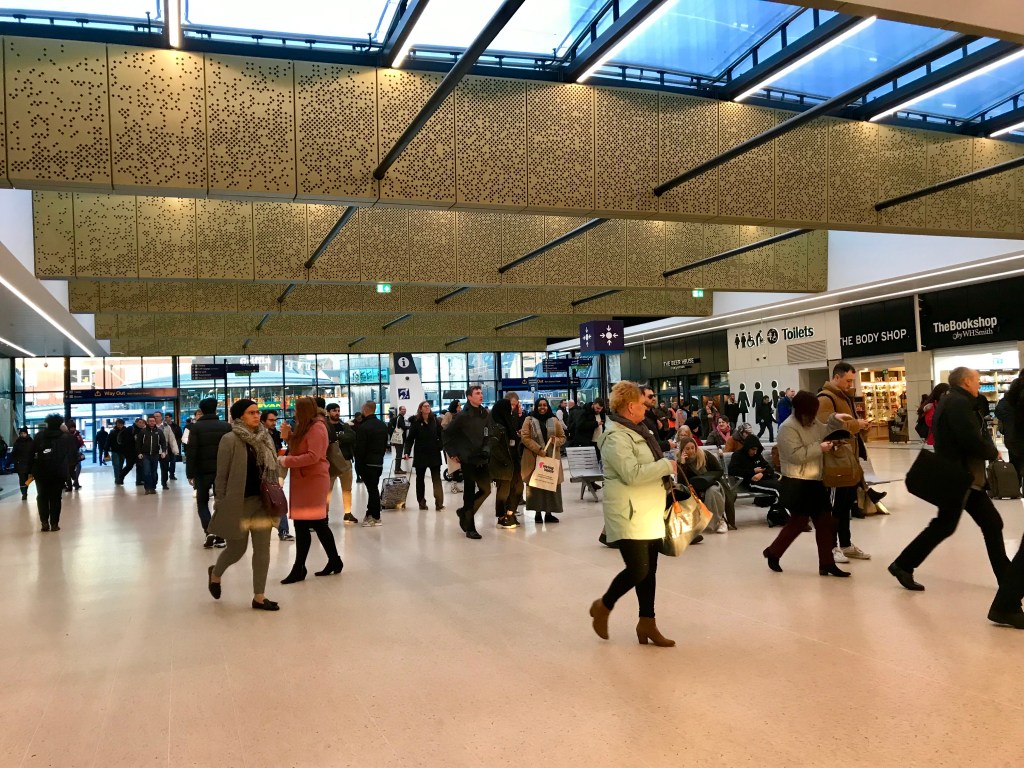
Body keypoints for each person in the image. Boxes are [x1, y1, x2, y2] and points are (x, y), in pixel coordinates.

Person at [889, 367, 1010, 593]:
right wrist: (992, 452)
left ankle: (903, 564)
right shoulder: (958, 403)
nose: (979, 383)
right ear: (966, 382)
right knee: (969, 524)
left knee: (972, 524)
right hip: (962, 478)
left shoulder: (952, 400)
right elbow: (968, 438)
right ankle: (903, 564)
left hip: (962, 477)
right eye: (976, 380)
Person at [589, 381, 678, 648]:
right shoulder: (616, 437)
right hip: (628, 513)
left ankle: (647, 622)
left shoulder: (639, 431)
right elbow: (632, 474)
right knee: (639, 569)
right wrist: (666, 466)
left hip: (648, 510)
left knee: (650, 571)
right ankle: (603, 606)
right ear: (630, 407)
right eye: (642, 403)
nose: (646, 407)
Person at [762, 391, 852, 576]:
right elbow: (795, 456)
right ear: (802, 410)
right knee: (798, 522)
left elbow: (825, 431)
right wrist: (820, 448)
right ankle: (773, 552)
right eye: (811, 411)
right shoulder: (787, 428)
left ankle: (826, 563)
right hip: (797, 482)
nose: (813, 415)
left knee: (824, 522)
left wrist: (835, 420)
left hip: (815, 481)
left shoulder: (812, 422)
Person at [206, 399, 282, 611]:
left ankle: (259, 596)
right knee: (237, 550)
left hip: (262, 503)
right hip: (237, 504)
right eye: (251, 413)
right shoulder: (229, 439)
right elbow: (221, 475)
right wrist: (220, 502)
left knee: (263, 550)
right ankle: (215, 573)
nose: (256, 416)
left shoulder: (265, 437)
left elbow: (273, 466)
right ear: (240, 416)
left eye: (257, 412)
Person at [280, 397, 342, 583]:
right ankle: (333, 561)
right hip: (304, 481)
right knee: (311, 524)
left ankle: (300, 567)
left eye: (297, 409)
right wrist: (289, 437)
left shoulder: (317, 427)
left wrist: (286, 461)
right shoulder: (306, 426)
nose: (295, 413)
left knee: (312, 523)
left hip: (313, 481)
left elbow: (313, 456)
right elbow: (300, 449)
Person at [817, 362, 872, 563]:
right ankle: (831, 547)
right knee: (835, 507)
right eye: (848, 380)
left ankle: (846, 544)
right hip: (835, 463)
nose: (851, 384)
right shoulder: (826, 399)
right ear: (837, 377)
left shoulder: (844, 397)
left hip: (848, 461)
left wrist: (862, 428)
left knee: (845, 506)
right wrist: (856, 425)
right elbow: (826, 429)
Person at [443, 384, 491, 540]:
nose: (480, 395)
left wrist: (487, 448)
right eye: (477, 393)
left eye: (481, 393)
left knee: (486, 489)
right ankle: (470, 527)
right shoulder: (462, 416)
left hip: (482, 457)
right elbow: (446, 434)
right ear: (469, 397)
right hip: (467, 458)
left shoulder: (485, 413)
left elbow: (488, 434)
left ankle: (464, 512)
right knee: (469, 493)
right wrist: (452, 453)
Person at [186, 398, 231, 548]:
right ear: (215, 409)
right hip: (222, 471)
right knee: (221, 503)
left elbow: (191, 452)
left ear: (202, 411)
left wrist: (190, 473)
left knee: (202, 501)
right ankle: (220, 536)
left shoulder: (195, 428)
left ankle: (208, 530)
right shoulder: (226, 426)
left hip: (202, 471)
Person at [521, 397, 566, 524]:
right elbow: (525, 437)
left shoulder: (554, 420)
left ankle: (549, 513)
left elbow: (562, 437)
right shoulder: (529, 420)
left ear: (548, 407)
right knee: (536, 485)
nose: (542, 407)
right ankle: (537, 513)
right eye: (540, 405)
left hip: (551, 459)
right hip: (534, 458)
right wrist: (539, 449)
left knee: (550, 484)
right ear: (536, 407)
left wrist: (556, 441)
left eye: (544, 405)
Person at [728, 434, 786, 523]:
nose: (754, 452)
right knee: (778, 489)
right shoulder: (737, 456)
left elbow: (769, 469)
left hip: (765, 480)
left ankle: (781, 514)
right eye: (753, 449)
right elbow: (733, 471)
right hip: (751, 482)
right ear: (747, 447)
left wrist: (762, 474)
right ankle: (782, 515)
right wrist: (752, 472)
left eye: (756, 450)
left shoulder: (757, 455)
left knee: (785, 487)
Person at [676, 437, 729, 534]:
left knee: (712, 491)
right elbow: (681, 483)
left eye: (692, 448)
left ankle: (720, 521)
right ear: (682, 450)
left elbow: (719, 471)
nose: (691, 451)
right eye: (687, 449)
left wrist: (707, 477)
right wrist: (683, 464)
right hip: (694, 488)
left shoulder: (706, 455)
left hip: (712, 483)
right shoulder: (681, 462)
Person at [31, 415, 72, 531]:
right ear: (60, 425)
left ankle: (44, 522)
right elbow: (71, 453)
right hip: (58, 473)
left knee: (42, 497)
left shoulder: (39, 436)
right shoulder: (65, 437)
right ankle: (54, 524)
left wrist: (30, 471)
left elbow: (31, 453)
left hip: (41, 472)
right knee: (56, 498)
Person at [403, 400, 445, 512]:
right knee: (420, 479)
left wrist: (440, 446)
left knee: (436, 479)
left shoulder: (435, 420)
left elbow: (441, 435)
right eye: (425, 406)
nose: (427, 407)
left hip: (434, 453)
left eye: (428, 406)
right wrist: (406, 452)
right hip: (420, 454)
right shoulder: (416, 422)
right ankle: (421, 502)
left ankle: (439, 503)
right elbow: (410, 439)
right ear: (420, 409)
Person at [490, 393, 525, 529]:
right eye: (510, 406)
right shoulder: (496, 426)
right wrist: (503, 460)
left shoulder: (509, 422)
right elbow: (493, 447)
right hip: (503, 463)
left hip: (513, 461)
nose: (512, 408)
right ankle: (501, 517)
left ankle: (510, 512)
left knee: (518, 488)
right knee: (504, 490)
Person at [261, 409, 295, 541]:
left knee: (278, 499)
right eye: (271, 420)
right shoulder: (258, 434)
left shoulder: (275, 433)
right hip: (261, 471)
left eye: (275, 420)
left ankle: (283, 530)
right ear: (263, 421)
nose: (274, 423)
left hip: (273, 470)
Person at [354, 401, 388, 526]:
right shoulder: (382, 425)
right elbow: (385, 444)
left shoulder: (363, 427)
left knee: (372, 490)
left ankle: (375, 517)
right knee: (373, 488)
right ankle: (370, 513)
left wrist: (358, 465)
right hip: (378, 462)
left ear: (365, 409)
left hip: (367, 463)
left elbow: (360, 448)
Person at [323, 402, 358, 524]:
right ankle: (324, 515)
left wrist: (337, 439)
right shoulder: (324, 426)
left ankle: (347, 513)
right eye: (334, 410)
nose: (337, 413)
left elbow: (352, 436)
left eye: (338, 410)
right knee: (327, 490)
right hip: (331, 462)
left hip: (346, 461)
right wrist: (339, 439)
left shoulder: (344, 425)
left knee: (347, 489)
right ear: (328, 412)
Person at [135, 415, 167, 495]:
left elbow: (163, 442)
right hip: (145, 455)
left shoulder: (159, 432)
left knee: (154, 472)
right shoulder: (143, 431)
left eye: (153, 421)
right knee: (146, 472)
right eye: (150, 421)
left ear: (155, 422)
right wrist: (139, 453)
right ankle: (147, 488)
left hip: (155, 455)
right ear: (147, 422)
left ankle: (153, 487)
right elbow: (138, 443)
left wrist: (163, 451)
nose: (152, 422)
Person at [153, 411, 179, 489]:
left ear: (161, 417)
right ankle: (154, 482)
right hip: (153, 451)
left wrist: (175, 450)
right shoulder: (150, 426)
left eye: (157, 416)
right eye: (155, 416)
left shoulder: (166, 427)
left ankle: (164, 483)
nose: (156, 418)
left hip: (164, 450)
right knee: (153, 468)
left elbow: (172, 439)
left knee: (164, 468)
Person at [12, 428, 34, 501]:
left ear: (26, 433)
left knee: (27, 480)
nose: (23, 435)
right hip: (20, 464)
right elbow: (14, 453)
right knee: (22, 479)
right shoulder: (17, 442)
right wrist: (16, 461)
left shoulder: (31, 442)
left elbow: (34, 452)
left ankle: (25, 491)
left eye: (24, 433)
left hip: (29, 464)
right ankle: (24, 494)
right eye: (21, 433)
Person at [64, 420, 85, 491]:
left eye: (74, 427)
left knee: (78, 467)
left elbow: (81, 443)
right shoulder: (66, 435)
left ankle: (75, 482)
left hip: (76, 453)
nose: (73, 429)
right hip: (69, 454)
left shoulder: (77, 434)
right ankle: (74, 483)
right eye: (71, 428)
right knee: (70, 469)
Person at [108, 418, 128, 484]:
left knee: (120, 465)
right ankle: (117, 479)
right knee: (116, 465)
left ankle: (120, 477)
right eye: (118, 424)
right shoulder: (112, 432)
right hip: (115, 451)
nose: (119, 425)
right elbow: (108, 441)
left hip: (123, 451)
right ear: (116, 424)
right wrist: (106, 450)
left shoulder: (126, 431)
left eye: (121, 424)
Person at [164, 413, 183, 480]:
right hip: (165, 447)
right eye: (165, 417)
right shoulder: (163, 426)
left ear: (171, 418)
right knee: (165, 461)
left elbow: (180, 436)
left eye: (167, 417)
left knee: (173, 461)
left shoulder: (176, 427)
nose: (166, 418)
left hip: (173, 446)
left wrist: (177, 444)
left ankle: (172, 474)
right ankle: (165, 474)